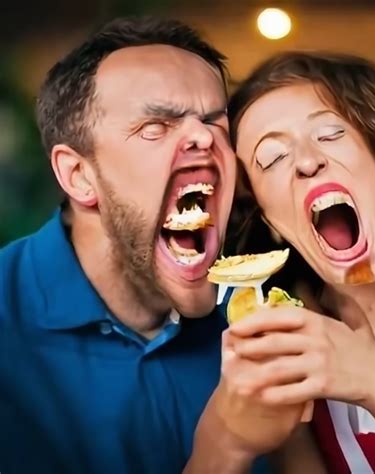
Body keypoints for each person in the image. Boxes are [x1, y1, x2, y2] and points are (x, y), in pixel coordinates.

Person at [0, 16, 269, 474]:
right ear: (78, 175)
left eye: (212, 121)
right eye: (155, 127)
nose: (205, 137)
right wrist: (224, 450)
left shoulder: (265, 312)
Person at [189, 52, 375, 473]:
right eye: (272, 158)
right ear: (269, 218)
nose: (308, 161)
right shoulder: (291, 351)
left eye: (330, 133)